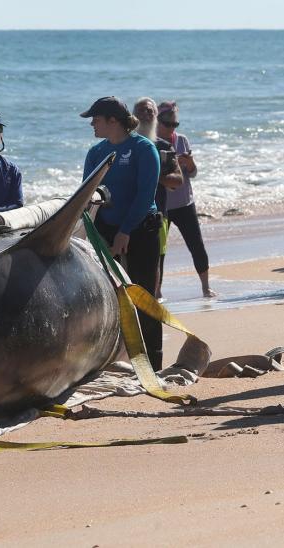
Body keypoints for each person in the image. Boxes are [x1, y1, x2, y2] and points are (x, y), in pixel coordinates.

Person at [81, 96, 165, 370]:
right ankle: (116, 361)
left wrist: (125, 231)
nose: (92, 124)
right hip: (105, 231)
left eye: (96, 119)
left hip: (141, 228)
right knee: (107, 297)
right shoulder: (96, 152)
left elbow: (145, 195)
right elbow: (86, 194)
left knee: (143, 296)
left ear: (112, 121)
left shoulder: (143, 148)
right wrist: (94, 234)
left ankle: (154, 364)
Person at [155, 101, 215, 298]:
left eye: (175, 124)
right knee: (158, 253)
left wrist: (189, 163)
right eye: (168, 123)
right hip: (161, 207)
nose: (172, 128)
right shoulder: (150, 143)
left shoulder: (182, 140)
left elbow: (193, 173)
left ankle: (206, 287)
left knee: (196, 245)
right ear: (157, 120)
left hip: (184, 203)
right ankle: (157, 292)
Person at [134, 97, 183, 299]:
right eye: (141, 111)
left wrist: (155, 176)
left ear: (156, 116)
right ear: (133, 116)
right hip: (126, 214)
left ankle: (155, 301)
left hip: (157, 215)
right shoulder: (125, 145)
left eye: (150, 111)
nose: (146, 115)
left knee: (156, 262)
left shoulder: (163, 147)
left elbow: (178, 180)